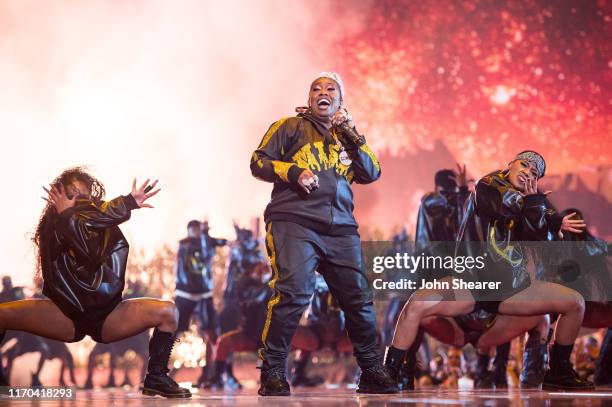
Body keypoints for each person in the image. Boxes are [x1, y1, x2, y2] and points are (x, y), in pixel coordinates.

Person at [385, 151, 594, 390]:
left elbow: (541, 239)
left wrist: (550, 220)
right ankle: (389, 373)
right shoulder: (489, 185)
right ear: (509, 165)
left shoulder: (531, 202)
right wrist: (539, 208)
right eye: (523, 165)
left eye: (534, 173)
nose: (527, 173)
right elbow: (507, 204)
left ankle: (557, 372)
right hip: (472, 285)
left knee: (575, 302)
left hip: (510, 290)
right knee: (415, 305)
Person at [250, 72, 396, 395]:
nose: (322, 92)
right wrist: (292, 171)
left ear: (341, 102)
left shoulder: (348, 137)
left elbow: (371, 172)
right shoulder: (289, 126)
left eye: (331, 89)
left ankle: (371, 369)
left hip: (341, 229)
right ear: (310, 98)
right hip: (293, 221)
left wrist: (351, 133)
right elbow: (257, 161)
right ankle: (273, 370)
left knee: (358, 297)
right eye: (316, 88)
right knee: (294, 291)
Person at [0, 167, 190, 398]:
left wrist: (129, 202)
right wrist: (67, 217)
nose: (78, 202)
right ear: (57, 196)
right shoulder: (53, 227)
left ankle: (156, 377)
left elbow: (94, 236)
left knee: (168, 311)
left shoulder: (99, 220)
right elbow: (83, 248)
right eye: (72, 195)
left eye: (84, 197)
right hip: (65, 313)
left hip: (108, 315)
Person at [174, 219, 226, 387]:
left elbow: (222, 242)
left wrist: (206, 235)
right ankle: (159, 370)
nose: (197, 232)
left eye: (199, 230)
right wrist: (205, 236)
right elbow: (202, 247)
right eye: (194, 229)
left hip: (204, 294)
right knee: (173, 330)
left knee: (211, 334)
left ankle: (211, 374)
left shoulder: (205, 241)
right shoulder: (185, 244)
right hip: (185, 294)